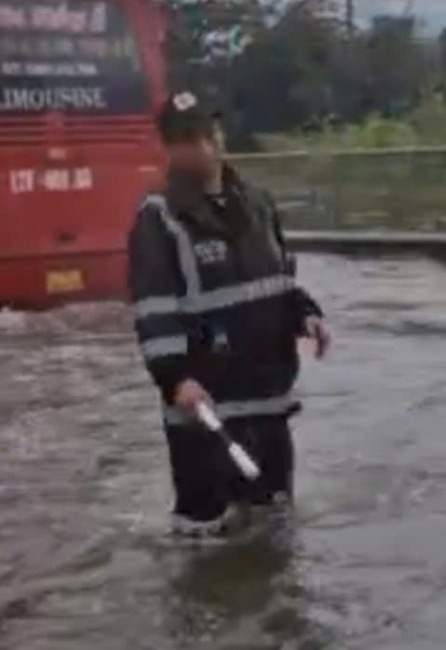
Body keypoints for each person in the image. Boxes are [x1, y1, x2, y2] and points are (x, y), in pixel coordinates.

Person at [127, 91, 330, 535]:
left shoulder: (257, 203)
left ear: (217, 136)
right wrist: (174, 378)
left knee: (274, 530)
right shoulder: (159, 219)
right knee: (204, 541)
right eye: (181, 138)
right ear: (167, 147)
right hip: (206, 412)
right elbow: (153, 310)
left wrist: (306, 314)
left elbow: (280, 281)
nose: (194, 146)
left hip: (268, 402)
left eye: (200, 133)